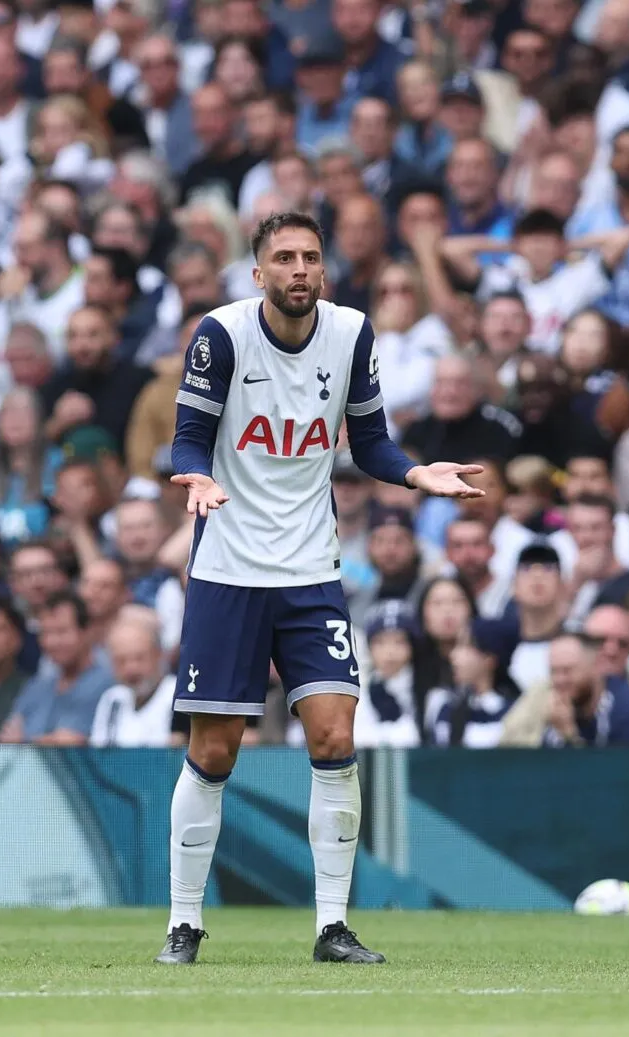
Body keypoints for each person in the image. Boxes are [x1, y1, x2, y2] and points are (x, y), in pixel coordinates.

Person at [159, 211, 484, 966]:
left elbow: (367, 440)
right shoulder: (221, 334)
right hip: (229, 567)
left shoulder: (351, 332)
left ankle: (332, 925)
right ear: (259, 273)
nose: (300, 268)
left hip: (311, 569)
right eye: (285, 258)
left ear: (323, 270)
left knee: (335, 735)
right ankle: (184, 923)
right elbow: (188, 432)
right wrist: (197, 473)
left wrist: (415, 471)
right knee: (215, 749)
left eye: (310, 256)